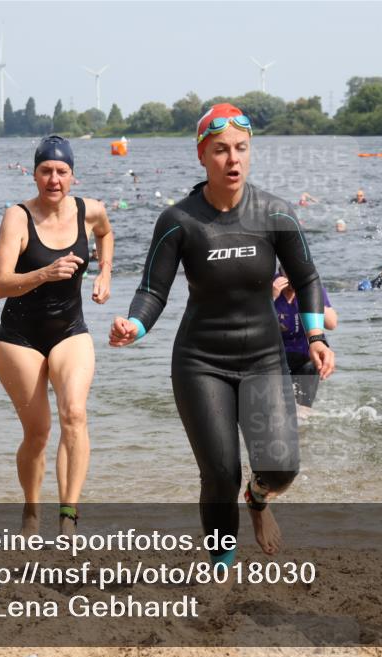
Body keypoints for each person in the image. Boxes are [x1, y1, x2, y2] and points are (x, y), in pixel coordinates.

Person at [109, 104, 335, 566]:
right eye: (220, 150)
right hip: (200, 361)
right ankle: (222, 566)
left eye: (240, 149)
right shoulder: (179, 220)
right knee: (219, 473)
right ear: (202, 156)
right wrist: (134, 325)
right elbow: (153, 290)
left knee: (281, 468)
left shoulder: (275, 213)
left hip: (264, 360)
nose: (232, 159)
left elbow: (307, 279)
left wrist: (316, 338)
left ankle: (258, 500)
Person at [0, 135, 114, 537]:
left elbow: (106, 234)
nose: (54, 179)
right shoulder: (17, 217)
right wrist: (45, 273)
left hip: (70, 331)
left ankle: (68, 515)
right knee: (38, 432)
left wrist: (105, 271)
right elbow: (0, 284)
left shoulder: (90, 211)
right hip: (19, 338)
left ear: (73, 177)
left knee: (74, 413)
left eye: (62, 172)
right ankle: (31, 509)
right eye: (46, 171)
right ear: (35, 173)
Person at [273, 268, 338, 413]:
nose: (294, 279)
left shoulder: (311, 287)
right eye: (289, 272)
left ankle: (304, 431)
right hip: (276, 357)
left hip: (305, 356)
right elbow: (253, 325)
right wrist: (271, 298)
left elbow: (331, 324)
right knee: (276, 409)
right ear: (281, 271)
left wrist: (311, 297)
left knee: (302, 411)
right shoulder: (268, 285)